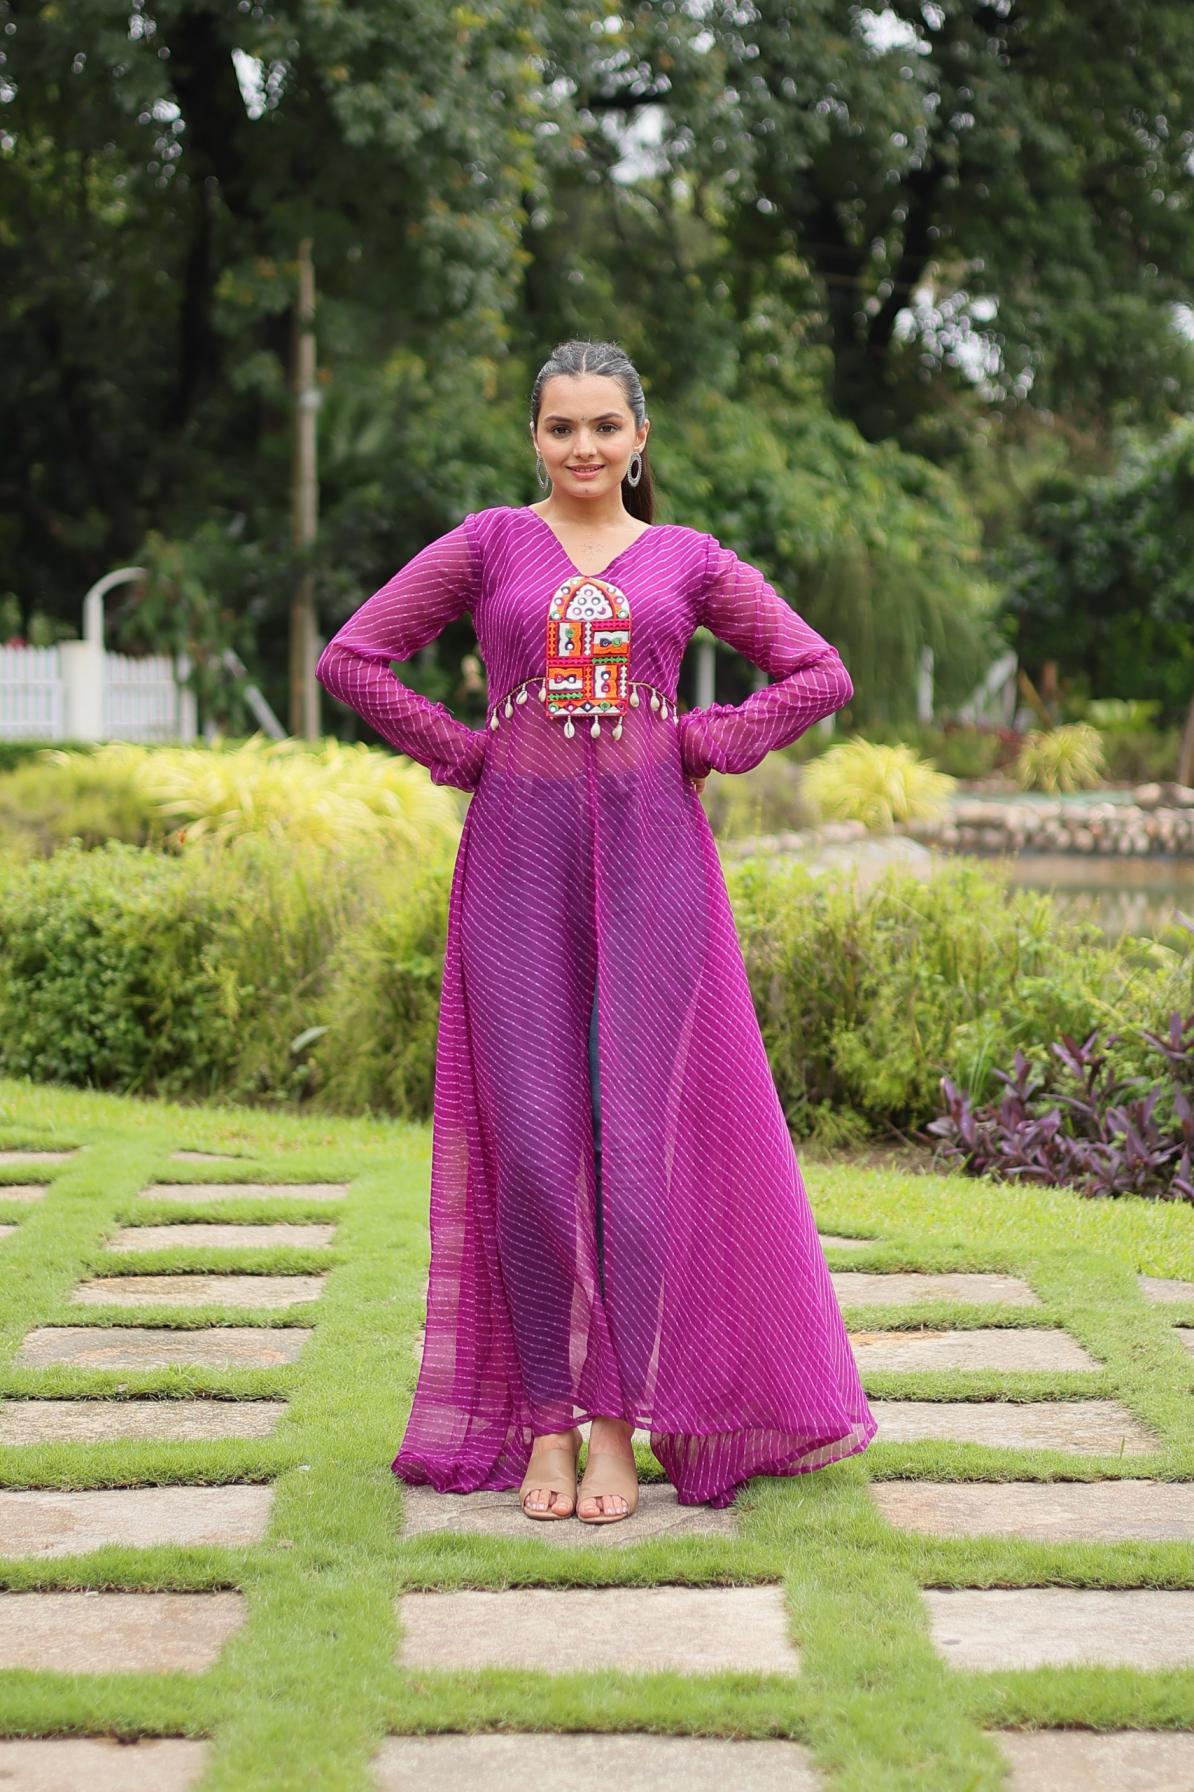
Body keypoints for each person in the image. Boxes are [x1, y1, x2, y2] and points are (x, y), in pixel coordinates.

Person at [315, 337, 876, 1526]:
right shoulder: (489, 545)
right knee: (531, 1148)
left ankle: (618, 1424)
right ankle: (545, 1424)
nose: (583, 446)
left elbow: (817, 672)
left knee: (634, 1150)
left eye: (604, 426)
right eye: (562, 426)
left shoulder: (688, 559)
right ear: (534, 437)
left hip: (656, 871)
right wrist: (462, 751)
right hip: (517, 870)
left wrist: (705, 739)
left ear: (639, 438)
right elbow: (351, 658)